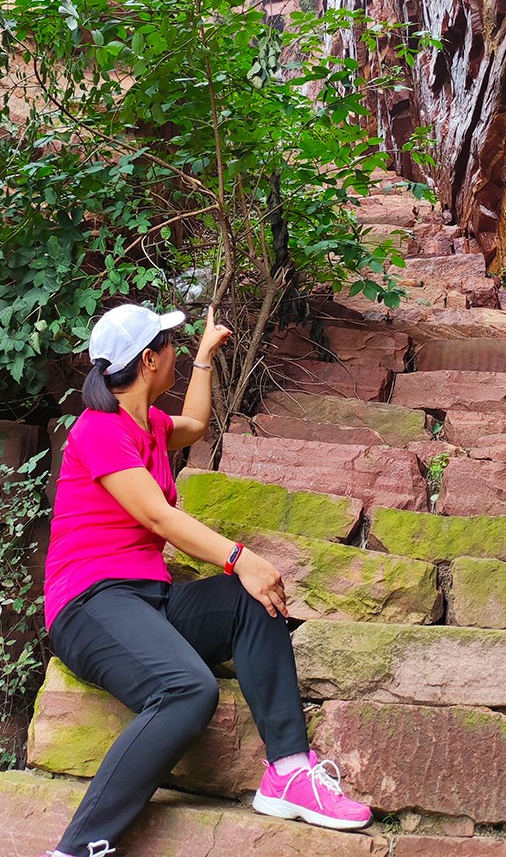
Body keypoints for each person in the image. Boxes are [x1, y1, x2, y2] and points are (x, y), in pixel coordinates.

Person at [39, 301, 372, 857]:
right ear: (149, 360)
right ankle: (77, 848)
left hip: (148, 599)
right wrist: (239, 556)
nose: (174, 347)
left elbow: (193, 425)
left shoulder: (148, 423)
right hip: (89, 603)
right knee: (187, 689)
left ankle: (288, 771)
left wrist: (202, 360)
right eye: (170, 343)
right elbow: (158, 517)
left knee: (251, 603)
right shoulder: (99, 432)